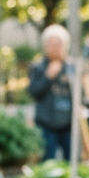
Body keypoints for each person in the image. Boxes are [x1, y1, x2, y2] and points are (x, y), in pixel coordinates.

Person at [28, 25, 75, 160]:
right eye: (51, 44)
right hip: (46, 124)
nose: (55, 47)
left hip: (68, 124)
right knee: (48, 161)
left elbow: (79, 93)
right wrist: (48, 76)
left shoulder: (71, 67)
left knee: (71, 161)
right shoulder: (38, 67)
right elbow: (34, 92)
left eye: (58, 44)